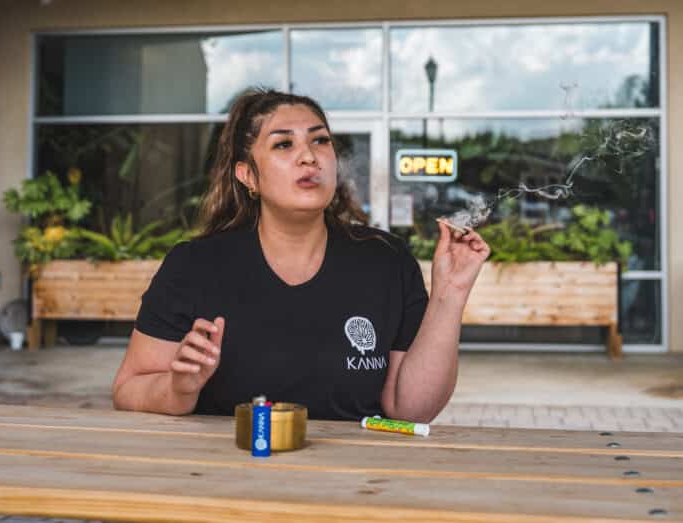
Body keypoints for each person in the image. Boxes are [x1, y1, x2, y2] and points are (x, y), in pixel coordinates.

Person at [112, 88, 490, 422]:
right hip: (225, 480)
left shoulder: (385, 260)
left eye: (320, 141)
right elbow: (128, 389)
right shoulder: (193, 266)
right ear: (248, 176)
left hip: (360, 485)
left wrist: (450, 294)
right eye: (283, 144)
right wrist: (179, 388)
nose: (309, 157)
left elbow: (411, 409)